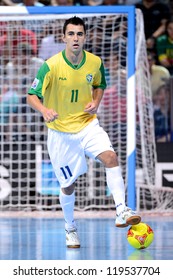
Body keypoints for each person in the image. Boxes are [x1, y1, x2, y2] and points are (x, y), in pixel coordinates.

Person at [27, 16, 141, 248]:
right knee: (68, 186)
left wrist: (96, 102)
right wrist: (44, 109)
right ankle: (70, 228)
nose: (75, 38)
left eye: (79, 34)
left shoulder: (95, 62)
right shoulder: (51, 65)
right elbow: (31, 96)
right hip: (60, 133)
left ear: (85, 37)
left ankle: (121, 209)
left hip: (88, 125)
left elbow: (99, 85)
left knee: (110, 157)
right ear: (63, 37)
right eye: (71, 34)